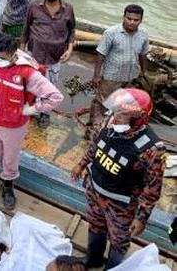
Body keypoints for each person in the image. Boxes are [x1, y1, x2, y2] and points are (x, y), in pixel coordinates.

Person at [71, 88, 166, 268]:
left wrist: (141, 218)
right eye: (116, 111)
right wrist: (81, 164)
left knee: (119, 240)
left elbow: (152, 190)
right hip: (94, 190)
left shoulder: (152, 150)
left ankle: (113, 267)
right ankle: (93, 259)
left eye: (123, 115)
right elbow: (94, 146)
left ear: (138, 119)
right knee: (95, 225)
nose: (116, 117)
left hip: (120, 205)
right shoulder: (107, 123)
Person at [0, 33, 63, 209]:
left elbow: (55, 97)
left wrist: (33, 109)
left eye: (2, 57)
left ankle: (8, 185)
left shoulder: (27, 72)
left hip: (13, 124)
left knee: (11, 157)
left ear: (13, 53)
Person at [89, 4, 149, 140]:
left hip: (131, 76)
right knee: (103, 103)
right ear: (123, 17)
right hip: (112, 76)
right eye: (129, 19)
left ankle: (117, 128)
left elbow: (143, 54)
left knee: (125, 105)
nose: (132, 22)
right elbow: (101, 54)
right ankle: (96, 130)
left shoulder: (144, 34)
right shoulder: (111, 33)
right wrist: (97, 74)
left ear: (141, 20)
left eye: (136, 20)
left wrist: (144, 70)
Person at [21, 0, 76, 87]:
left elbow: (71, 30)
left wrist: (69, 49)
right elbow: (26, 27)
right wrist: (22, 49)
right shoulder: (34, 6)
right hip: (34, 53)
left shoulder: (68, 9)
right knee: (30, 84)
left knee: (49, 87)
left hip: (55, 56)